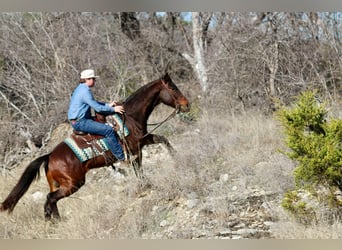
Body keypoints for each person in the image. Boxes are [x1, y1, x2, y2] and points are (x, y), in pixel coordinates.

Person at [67, 69, 125, 161]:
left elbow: (93, 103)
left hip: (79, 120)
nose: (95, 81)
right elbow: (97, 108)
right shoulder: (85, 91)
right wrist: (114, 109)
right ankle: (121, 157)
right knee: (109, 130)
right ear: (88, 79)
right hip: (81, 122)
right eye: (94, 79)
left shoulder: (80, 88)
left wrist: (108, 105)